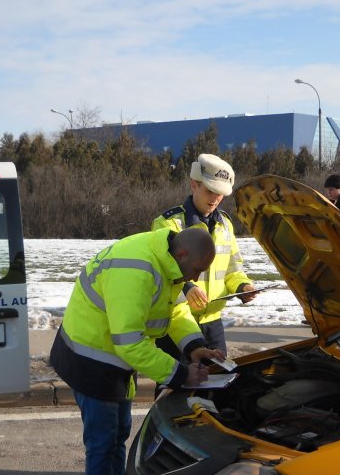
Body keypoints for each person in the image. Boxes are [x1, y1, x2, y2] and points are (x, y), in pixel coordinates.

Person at [49, 227, 225, 475]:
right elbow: (129, 343)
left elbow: (175, 310)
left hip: (114, 358)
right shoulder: (136, 270)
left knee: (118, 434)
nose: (195, 279)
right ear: (183, 254)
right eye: (197, 270)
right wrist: (182, 374)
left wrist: (195, 346)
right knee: (102, 444)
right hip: (91, 360)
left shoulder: (166, 259)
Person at [152, 153, 256, 357]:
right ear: (194, 185)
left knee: (220, 382)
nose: (216, 199)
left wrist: (243, 287)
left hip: (213, 323)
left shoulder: (225, 224)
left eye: (221, 194)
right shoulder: (168, 223)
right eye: (210, 191)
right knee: (175, 382)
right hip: (177, 321)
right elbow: (161, 271)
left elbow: (233, 269)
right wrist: (187, 288)